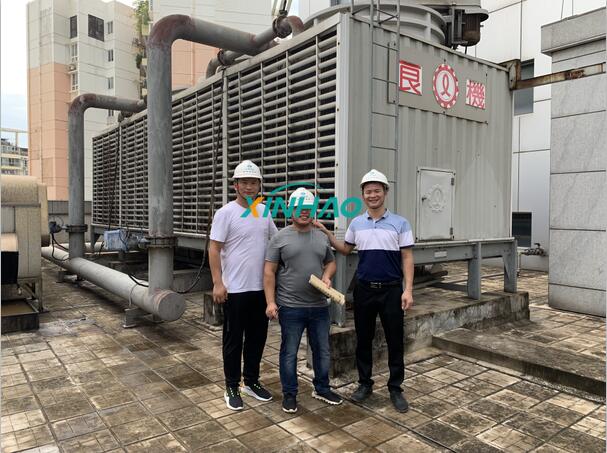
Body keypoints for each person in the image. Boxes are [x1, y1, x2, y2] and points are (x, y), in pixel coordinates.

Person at [314, 169, 414, 413]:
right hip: (364, 290)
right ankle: (364, 384)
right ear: (362, 195)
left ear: (385, 192)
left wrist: (408, 290)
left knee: (395, 340)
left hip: (391, 290)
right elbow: (345, 249)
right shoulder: (357, 223)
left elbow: (407, 257)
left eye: (377, 190)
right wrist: (327, 233)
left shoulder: (400, 223)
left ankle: (395, 388)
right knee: (364, 339)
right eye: (368, 191)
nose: (372, 195)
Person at [264, 187, 343, 413]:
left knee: (322, 350)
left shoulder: (320, 237)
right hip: (290, 306)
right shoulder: (279, 238)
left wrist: (327, 276)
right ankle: (289, 394)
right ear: (290, 210)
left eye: (308, 208)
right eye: (299, 208)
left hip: (319, 306)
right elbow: (269, 272)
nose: (304, 212)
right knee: (289, 352)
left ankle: (322, 388)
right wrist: (270, 302)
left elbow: (331, 262)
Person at [209, 160, 278, 411]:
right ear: (235, 185)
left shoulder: (264, 212)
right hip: (235, 290)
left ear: (259, 186)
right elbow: (214, 249)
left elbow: (277, 241)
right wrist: (218, 283)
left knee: (257, 339)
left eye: (253, 183)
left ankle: (251, 381)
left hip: (260, 290)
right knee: (233, 341)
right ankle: (231, 386)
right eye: (244, 183)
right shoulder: (225, 213)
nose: (249, 187)